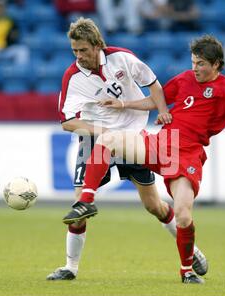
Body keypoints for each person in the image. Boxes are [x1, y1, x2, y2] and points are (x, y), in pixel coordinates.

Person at [63, 35, 225, 284]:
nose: (195, 68)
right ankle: (87, 201)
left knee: (182, 214)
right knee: (107, 140)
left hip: (187, 156)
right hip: (162, 144)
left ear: (217, 64)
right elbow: (156, 99)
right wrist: (123, 103)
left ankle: (187, 271)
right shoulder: (185, 79)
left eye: (201, 63)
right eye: (193, 62)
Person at [46, 18, 208, 281]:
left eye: (83, 50)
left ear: (98, 45)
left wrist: (164, 111)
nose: (79, 56)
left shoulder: (122, 58)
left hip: (133, 137)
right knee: (78, 207)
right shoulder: (72, 77)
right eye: (74, 50)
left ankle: (193, 249)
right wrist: (104, 132)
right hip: (95, 141)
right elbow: (67, 122)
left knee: (154, 205)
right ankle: (70, 267)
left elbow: (154, 84)